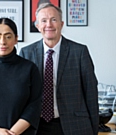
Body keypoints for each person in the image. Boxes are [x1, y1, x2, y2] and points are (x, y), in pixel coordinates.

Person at [20, 3, 99, 135]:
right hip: (36, 126)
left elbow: (91, 93)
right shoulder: (26, 53)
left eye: (54, 20)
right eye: (44, 21)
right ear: (38, 26)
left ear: (61, 24)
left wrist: (94, 129)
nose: (49, 25)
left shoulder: (79, 52)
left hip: (74, 126)